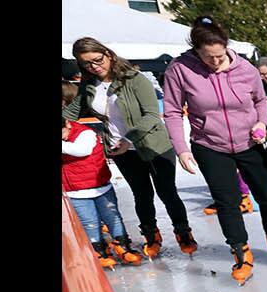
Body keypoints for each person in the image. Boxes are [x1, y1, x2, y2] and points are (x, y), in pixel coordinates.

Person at [163, 16, 267, 285]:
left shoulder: (245, 68)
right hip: (210, 145)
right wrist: (182, 149)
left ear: (226, 47)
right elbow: (173, 112)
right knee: (227, 201)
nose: (215, 62)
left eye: (220, 56)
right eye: (208, 57)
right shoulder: (179, 70)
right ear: (196, 50)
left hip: (251, 141)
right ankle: (241, 252)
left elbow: (261, 100)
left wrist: (260, 121)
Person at [64, 38, 197, 258]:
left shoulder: (134, 79)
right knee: (141, 194)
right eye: (87, 64)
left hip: (153, 145)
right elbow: (69, 115)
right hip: (120, 150)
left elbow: (152, 116)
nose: (94, 66)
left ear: (108, 54)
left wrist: (129, 139)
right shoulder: (88, 86)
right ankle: (151, 236)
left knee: (167, 192)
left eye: (98, 60)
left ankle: (183, 233)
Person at [63, 80, 143, 269]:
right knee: (89, 222)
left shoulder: (85, 133)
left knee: (113, 217)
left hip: (100, 187)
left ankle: (123, 245)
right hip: (76, 192)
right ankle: (99, 250)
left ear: (67, 123)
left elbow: (81, 150)